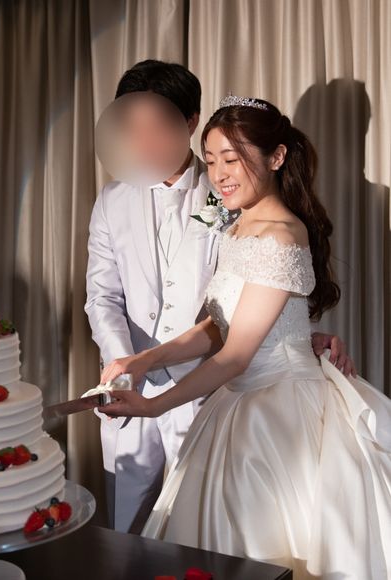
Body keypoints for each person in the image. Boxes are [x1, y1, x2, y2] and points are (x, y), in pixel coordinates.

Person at [98, 95, 390, 578]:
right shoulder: (233, 220)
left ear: (276, 157)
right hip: (235, 400)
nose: (218, 174)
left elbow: (235, 355)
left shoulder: (281, 235)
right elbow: (218, 324)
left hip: (279, 408)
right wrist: (144, 359)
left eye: (231, 160)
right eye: (211, 160)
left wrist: (153, 405)